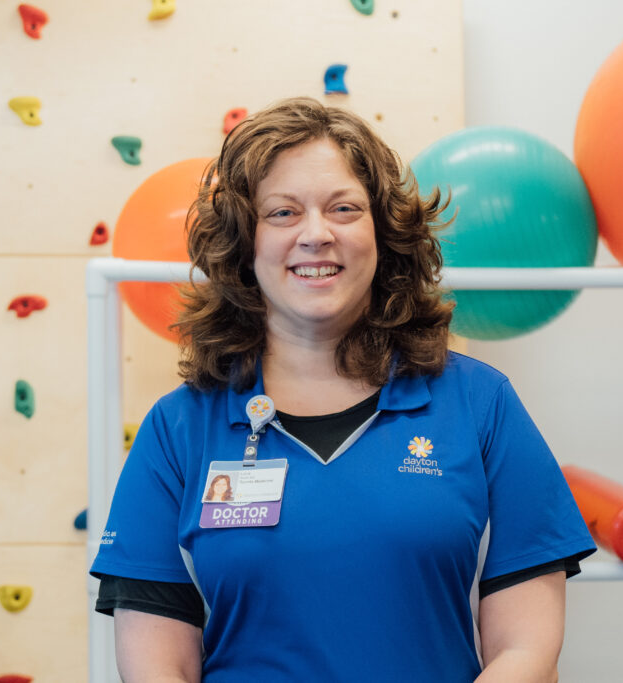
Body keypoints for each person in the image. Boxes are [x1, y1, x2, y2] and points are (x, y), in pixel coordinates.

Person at [90, 96, 595, 682]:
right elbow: (158, 670)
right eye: (281, 213)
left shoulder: (480, 405)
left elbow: (526, 652)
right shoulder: (178, 430)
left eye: (344, 209)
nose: (316, 234)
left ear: (384, 234)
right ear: (243, 244)